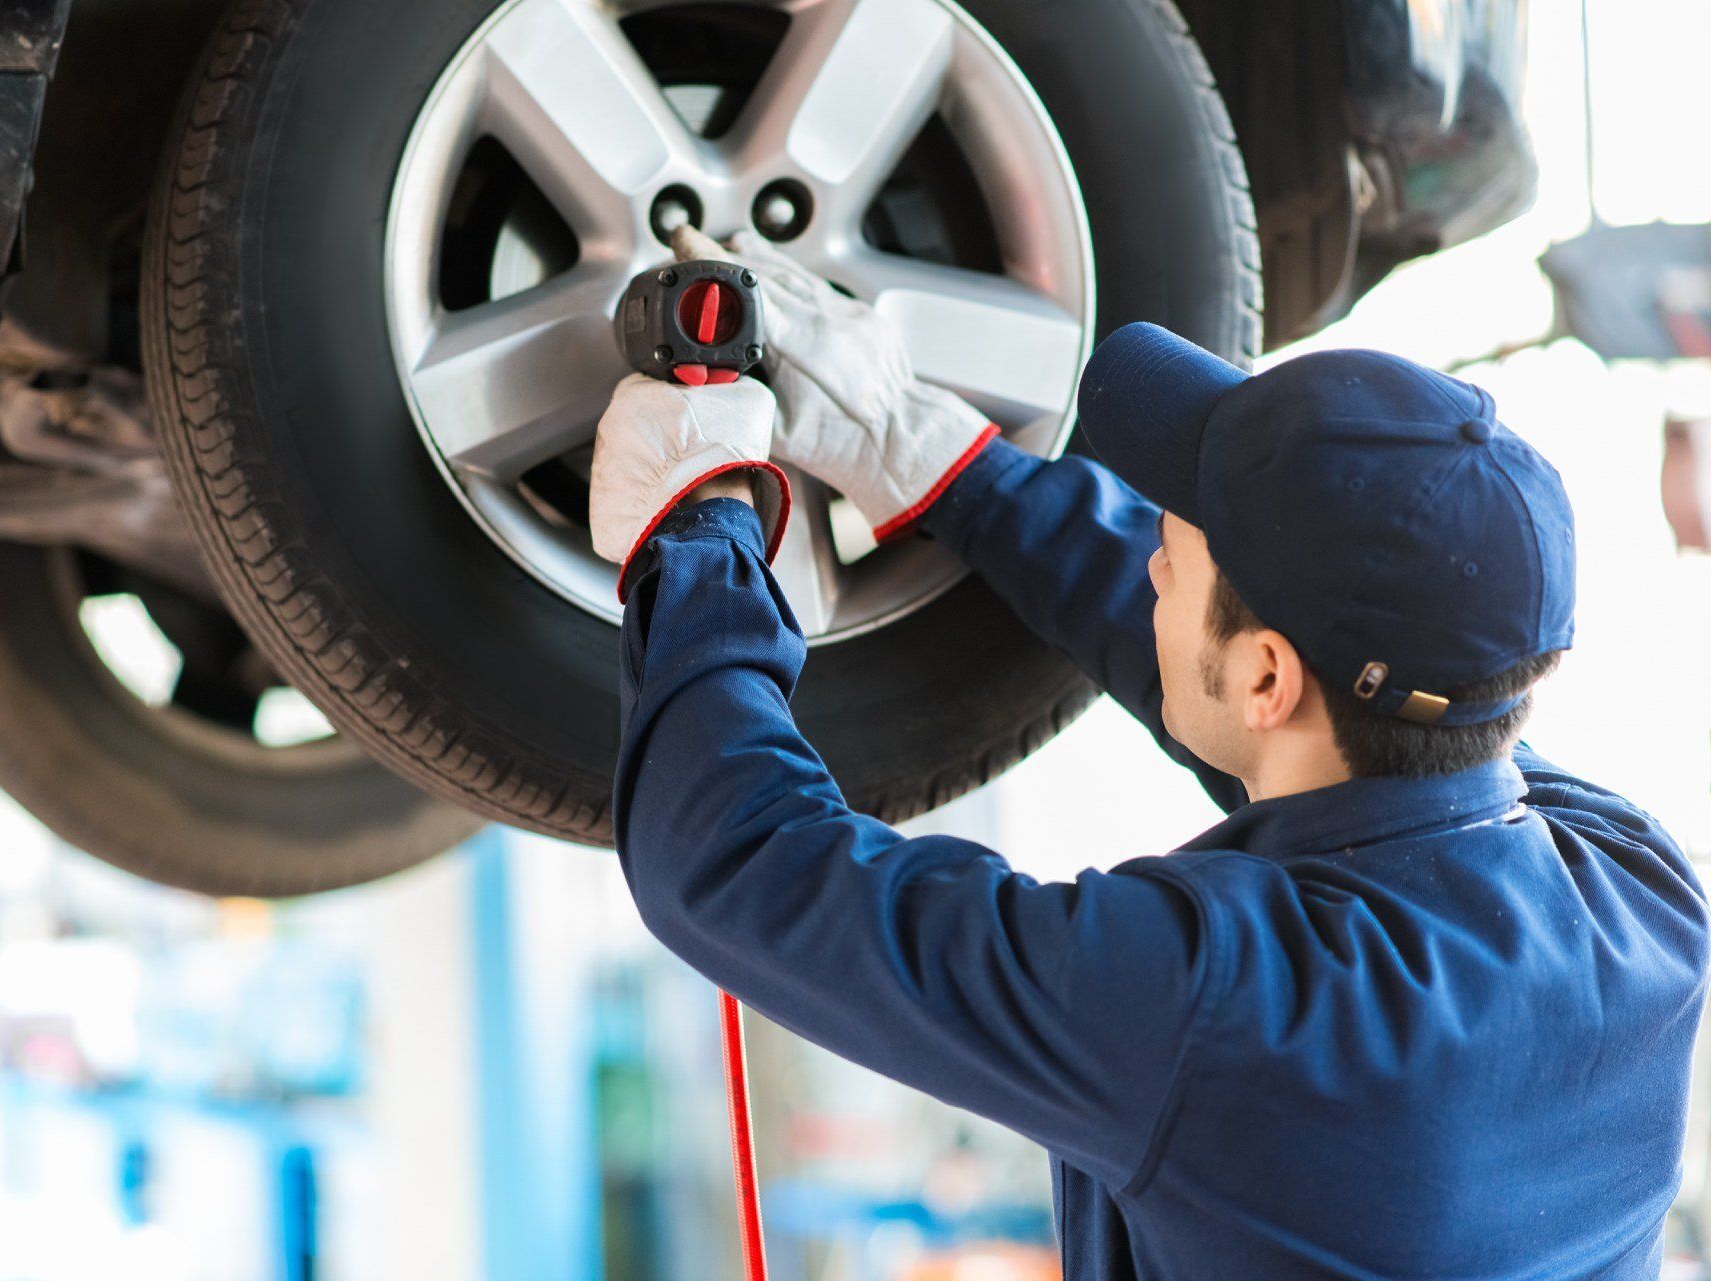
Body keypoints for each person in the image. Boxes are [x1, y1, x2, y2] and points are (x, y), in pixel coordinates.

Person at [588, 226, 1709, 1280]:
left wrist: (698, 526)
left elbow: (733, 863)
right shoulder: (1639, 895)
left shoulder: (1226, 1017)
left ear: (1268, 677)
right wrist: (944, 466)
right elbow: (1311, 731)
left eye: (1175, 542)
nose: (1152, 562)